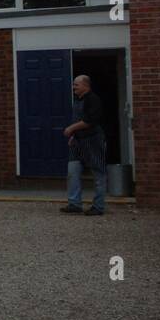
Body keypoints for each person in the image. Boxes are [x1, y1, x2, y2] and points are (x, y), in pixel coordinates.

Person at [60, 75, 105, 216]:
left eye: (76, 85)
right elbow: (78, 118)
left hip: (92, 140)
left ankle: (98, 206)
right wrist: (74, 136)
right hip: (77, 141)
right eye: (74, 85)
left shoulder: (93, 99)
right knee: (72, 171)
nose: (74, 87)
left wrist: (71, 129)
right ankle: (74, 204)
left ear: (86, 85)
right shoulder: (77, 100)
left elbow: (89, 121)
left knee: (98, 173)